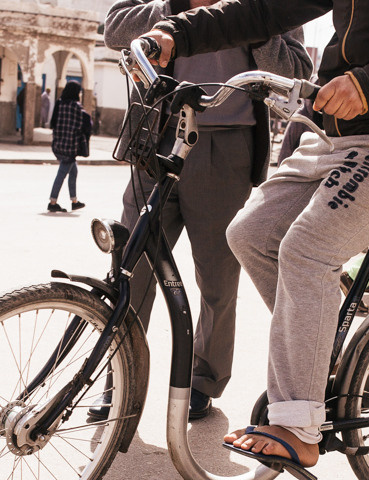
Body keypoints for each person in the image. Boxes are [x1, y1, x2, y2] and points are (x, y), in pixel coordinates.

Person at [142, 0, 369, 479]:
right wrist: (177, 32)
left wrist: (367, 85)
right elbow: (264, 9)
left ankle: (299, 427)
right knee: (250, 234)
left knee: (307, 251)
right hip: (341, 135)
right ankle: (318, 360)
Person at [104, 0, 311, 421]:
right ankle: (120, 378)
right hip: (157, 135)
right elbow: (115, 29)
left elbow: (296, 70)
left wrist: (250, 18)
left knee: (217, 276)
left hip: (228, 142)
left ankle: (204, 381)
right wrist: (180, 7)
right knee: (130, 266)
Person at [46, 81, 89, 213]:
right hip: (70, 147)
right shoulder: (77, 107)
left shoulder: (59, 103)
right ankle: (52, 202)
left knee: (73, 171)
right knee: (61, 174)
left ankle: (74, 201)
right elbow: (81, 126)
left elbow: (53, 123)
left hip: (58, 145)